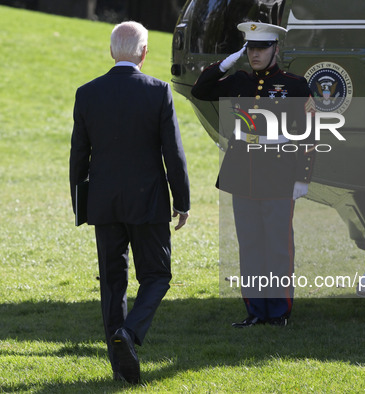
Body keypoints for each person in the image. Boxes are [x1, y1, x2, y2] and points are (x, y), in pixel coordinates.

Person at [69, 21, 191, 384]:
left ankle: (120, 366)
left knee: (112, 281)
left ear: (111, 52)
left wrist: (82, 206)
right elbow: (174, 153)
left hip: (103, 204)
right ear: (144, 52)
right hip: (148, 202)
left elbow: (78, 156)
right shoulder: (158, 91)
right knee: (157, 275)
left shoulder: (87, 93)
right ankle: (130, 334)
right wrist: (182, 202)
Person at [191, 22, 314, 328]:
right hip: (242, 173)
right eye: (250, 48)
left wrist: (303, 177)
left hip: (279, 175)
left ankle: (279, 311)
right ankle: (255, 309)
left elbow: (310, 135)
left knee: (277, 245)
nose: (255, 54)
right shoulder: (238, 81)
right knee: (250, 244)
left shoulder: (296, 86)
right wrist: (225, 63)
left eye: (261, 48)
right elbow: (200, 90)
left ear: (276, 49)